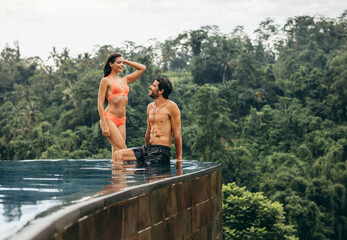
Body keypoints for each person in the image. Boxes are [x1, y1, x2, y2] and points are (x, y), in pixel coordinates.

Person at [112, 76, 182, 167]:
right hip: (148, 149)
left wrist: (178, 158)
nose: (150, 87)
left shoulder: (171, 107)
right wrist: (146, 152)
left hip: (161, 151)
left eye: (153, 86)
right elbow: (148, 132)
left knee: (147, 165)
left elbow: (177, 134)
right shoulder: (150, 107)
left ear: (161, 91)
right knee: (118, 155)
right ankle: (120, 181)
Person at [98, 53, 146, 160]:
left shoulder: (125, 80)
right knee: (122, 149)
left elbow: (142, 68)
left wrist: (125, 61)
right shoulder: (106, 80)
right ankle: (122, 176)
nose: (121, 65)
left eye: (122, 63)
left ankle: (117, 176)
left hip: (122, 120)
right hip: (109, 118)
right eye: (118, 62)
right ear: (111, 64)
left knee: (117, 152)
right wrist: (104, 124)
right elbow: (100, 103)